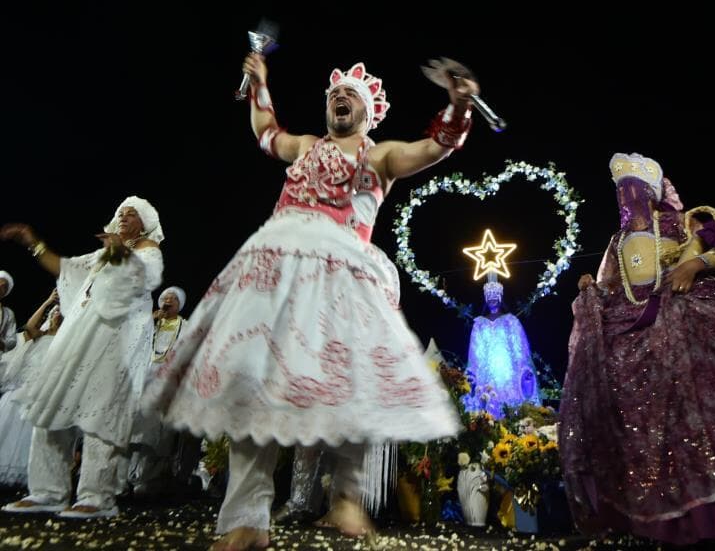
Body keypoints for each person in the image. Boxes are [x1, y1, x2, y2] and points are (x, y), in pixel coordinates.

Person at [144, 55, 474, 549]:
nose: (340, 99)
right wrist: (260, 85)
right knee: (252, 382)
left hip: (341, 274)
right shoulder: (304, 146)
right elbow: (265, 132)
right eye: (334, 95)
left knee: (349, 380)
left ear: (367, 112)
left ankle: (346, 497)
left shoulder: (378, 156)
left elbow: (432, 149)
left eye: (351, 97)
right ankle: (247, 520)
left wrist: (458, 107)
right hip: (274, 270)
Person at [559, 152, 715, 545]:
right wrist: (592, 288)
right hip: (630, 322)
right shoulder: (616, 242)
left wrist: (696, 264)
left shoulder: (680, 222)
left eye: (634, 188)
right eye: (623, 190)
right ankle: (661, 514)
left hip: (687, 306)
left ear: (652, 193)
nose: (628, 195)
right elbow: (615, 284)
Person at [0, 196, 164, 519]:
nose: (123, 218)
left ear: (145, 224)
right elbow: (66, 268)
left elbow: (147, 278)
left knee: (101, 413)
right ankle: (47, 491)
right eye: (119, 213)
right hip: (79, 335)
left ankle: (97, 496)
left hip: (116, 341)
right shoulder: (103, 254)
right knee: (52, 405)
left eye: (131, 215)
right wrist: (32, 241)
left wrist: (119, 251)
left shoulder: (148, 251)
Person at [127, 286, 189, 496]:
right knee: (133, 431)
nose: (168, 300)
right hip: (141, 380)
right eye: (165, 297)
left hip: (165, 384)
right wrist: (148, 323)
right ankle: (125, 479)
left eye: (173, 298)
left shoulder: (186, 327)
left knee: (156, 435)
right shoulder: (149, 323)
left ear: (179, 305)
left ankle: (146, 478)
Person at [0, 289, 62, 487]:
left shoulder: (65, 340)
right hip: (22, 387)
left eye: (60, 313)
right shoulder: (40, 334)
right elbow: (29, 326)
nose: (56, 315)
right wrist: (48, 302)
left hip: (42, 392)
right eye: (54, 313)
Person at [461, 280, 539, 417]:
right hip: (486, 374)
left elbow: (520, 347)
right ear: (486, 299)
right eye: (489, 298)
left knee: (510, 407)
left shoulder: (511, 321)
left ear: (500, 298)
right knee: (487, 404)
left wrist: (524, 367)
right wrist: (473, 373)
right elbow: (475, 353)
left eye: (495, 297)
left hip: (508, 373)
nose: (492, 300)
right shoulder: (479, 324)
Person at [0, 271, 17, 353]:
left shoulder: (8, 313)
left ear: (5, 292)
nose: (0, 286)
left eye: (4, 286)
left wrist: (2, 344)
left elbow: (12, 340)